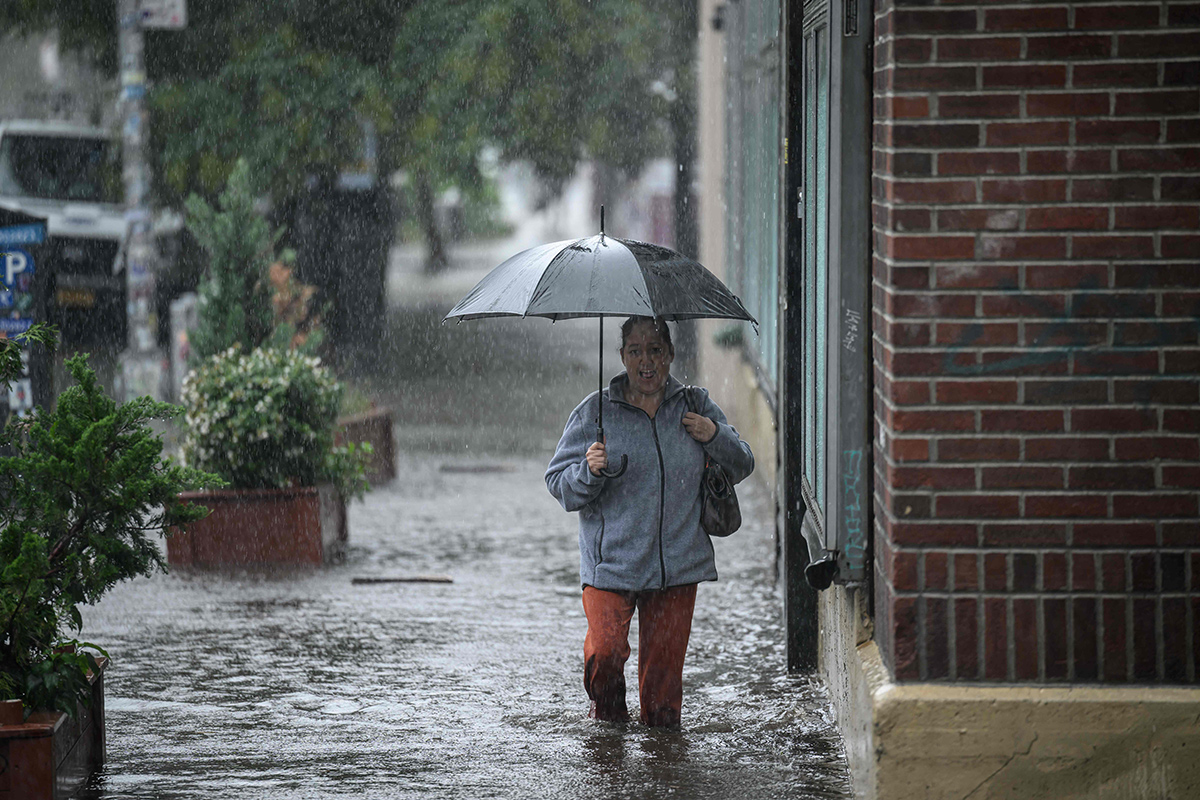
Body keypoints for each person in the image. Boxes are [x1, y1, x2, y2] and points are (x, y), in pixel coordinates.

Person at [545, 315, 755, 727]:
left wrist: (713, 434)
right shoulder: (595, 413)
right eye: (636, 351)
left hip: (676, 567)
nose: (646, 362)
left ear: (671, 354)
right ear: (622, 356)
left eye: (655, 350)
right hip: (611, 567)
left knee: (662, 704)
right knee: (604, 656)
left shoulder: (695, 405)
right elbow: (559, 483)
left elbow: (743, 462)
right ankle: (608, 734)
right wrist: (588, 471)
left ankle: (663, 774)